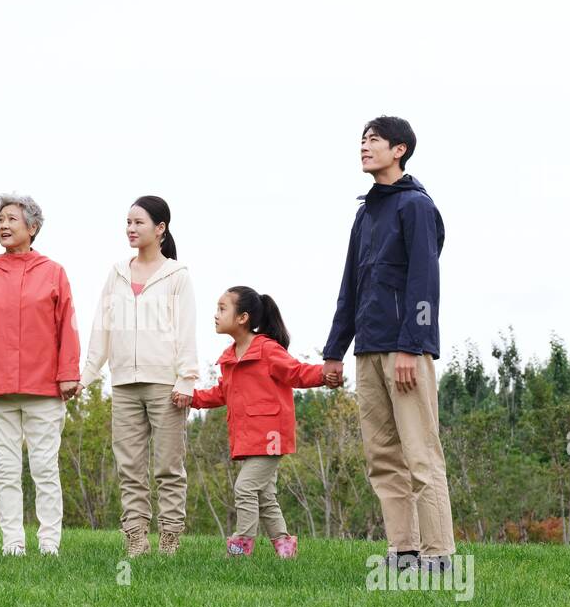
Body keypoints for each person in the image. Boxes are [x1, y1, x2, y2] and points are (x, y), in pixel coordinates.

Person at [321, 115, 456, 572]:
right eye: (361, 140)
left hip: (405, 350)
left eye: (373, 140)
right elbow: (351, 286)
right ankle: (403, 551)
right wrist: (334, 351)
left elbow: (424, 281)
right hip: (368, 351)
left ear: (399, 149)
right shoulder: (365, 212)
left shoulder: (416, 206)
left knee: (420, 452)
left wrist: (412, 345)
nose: (364, 146)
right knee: (382, 456)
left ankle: (439, 555)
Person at [0, 195, 81, 556]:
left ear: (33, 228)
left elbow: (67, 327)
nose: (4, 225)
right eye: (0, 219)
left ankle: (49, 544)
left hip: (43, 388)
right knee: (6, 471)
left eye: (12, 219)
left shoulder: (53, 272)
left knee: (45, 469)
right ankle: (12, 543)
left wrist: (68, 373)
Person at [80, 197, 198, 557]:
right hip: (123, 384)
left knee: (167, 466)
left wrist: (187, 379)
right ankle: (135, 537)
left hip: (166, 384)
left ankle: (170, 537)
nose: (131, 229)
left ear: (160, 229)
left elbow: (186, 330)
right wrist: (86, 375)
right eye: (127, 222)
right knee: (129, 466)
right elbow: (102, 327)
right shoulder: (116, 273)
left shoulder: (177, 275)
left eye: (138, 223)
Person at [190, 287, 331, 558]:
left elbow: (296, 372)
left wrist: (324, 375)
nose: (215, 315)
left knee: (244, 488)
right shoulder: (231, 357)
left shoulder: (267, 349)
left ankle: (241, 546)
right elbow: (222, 393)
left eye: (222, 309)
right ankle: (286, 549)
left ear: (242, 317)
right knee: (265, 497)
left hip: (271, 437)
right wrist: (192, 398)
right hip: (247, 438)